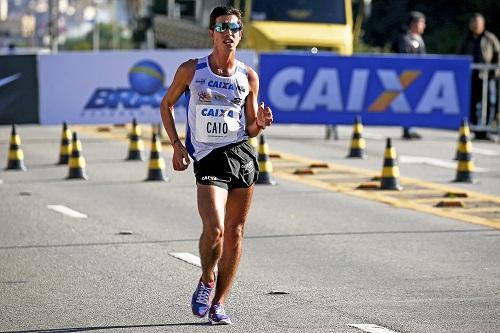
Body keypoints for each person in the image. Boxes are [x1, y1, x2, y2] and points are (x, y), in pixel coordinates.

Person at [159, 6, 273, 325]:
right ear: (211, 33)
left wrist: (260, 124)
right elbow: (166, 105)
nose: (229, 33)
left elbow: (249, 125)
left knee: (235, 231)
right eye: (222, 27)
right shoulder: (191, 70)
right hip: (208, 158)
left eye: (234, 27)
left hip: (241, 156)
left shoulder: (248, 76)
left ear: (240, 34)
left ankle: (220, 303)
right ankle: (207, 278)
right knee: (216, 228)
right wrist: (176, 145)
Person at [457, 13, 500, 140]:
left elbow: (498, 54)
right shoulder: (466, 39)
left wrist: (494, 72)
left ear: (483, 25)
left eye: (478, 23)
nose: (475, 25)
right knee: (471, 102)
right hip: (471, 76)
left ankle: (485, 130)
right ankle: (473, 128)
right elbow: (459, 55)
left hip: (487, 76)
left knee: (489, 103)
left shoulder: (489, 38)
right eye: (473, 23)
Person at [396, 11, 427, 140]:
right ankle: (408, 128)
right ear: (414, 24)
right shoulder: (406, 38)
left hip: (417, 76)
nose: (423, 26)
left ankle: (412, 127)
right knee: (407, 102)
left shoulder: (419, 39)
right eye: (421, 23)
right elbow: (405, 58)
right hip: (407, 76)